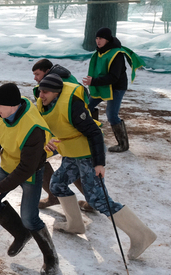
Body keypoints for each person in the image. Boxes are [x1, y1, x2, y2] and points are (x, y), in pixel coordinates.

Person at [37, 74, 156, 260]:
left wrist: (99, 163)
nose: (41, 94)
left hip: (87, 154)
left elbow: (94, 133)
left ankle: (141, 235)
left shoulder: (72, 106)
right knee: (57, 184)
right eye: (40, 90)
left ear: (56, 92)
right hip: (71, 153)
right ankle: (75, 224)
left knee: (97, 199)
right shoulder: (44, 103)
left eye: (45, 91)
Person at [0, 83, 59, 275]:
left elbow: (26, 168)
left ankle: (51, 258)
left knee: (30, 218)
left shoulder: (33, 128)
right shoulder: (1, 114)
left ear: (13, 106)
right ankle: (21, 234)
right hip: (8, 165)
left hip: (30, 172)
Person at [31, 59, 93, 212]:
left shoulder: (58, 84)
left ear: (46, 71)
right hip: (72, 134)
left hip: (67, 134)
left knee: (37, 157)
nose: (35, 78)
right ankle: (91, 200)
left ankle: (54, 197)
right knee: (72, 163)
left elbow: (58, 114)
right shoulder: (62, 79)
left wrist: (47, 138)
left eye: (37, 74)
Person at [82, 27, 145, 153]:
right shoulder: (100, 52)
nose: (98, 41)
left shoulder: (117, 55)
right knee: (86, 106)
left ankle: (123, 144)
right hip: (102, 86)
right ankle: (93, 136)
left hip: (116, 87)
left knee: (111, 115)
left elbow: (114, 77)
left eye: (101, 38)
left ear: (107, 39)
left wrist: (93, 81)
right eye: (97, 38)